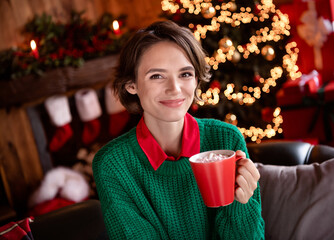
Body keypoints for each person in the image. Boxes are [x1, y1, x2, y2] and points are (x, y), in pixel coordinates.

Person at [93, 20, 265, 239]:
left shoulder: (226, 140)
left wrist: (242, 203)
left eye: (185, 74)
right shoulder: (112, 164)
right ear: (131, 85)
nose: (174, 89)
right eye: (156, 76)